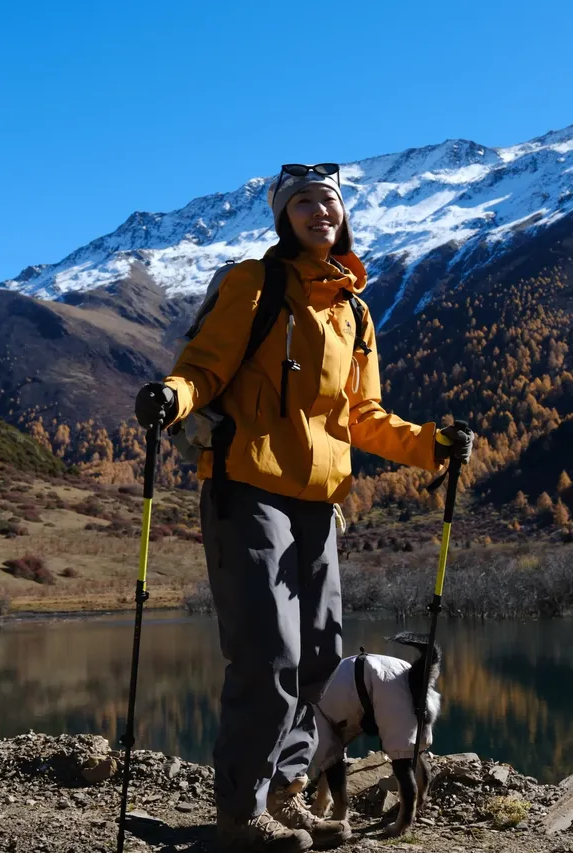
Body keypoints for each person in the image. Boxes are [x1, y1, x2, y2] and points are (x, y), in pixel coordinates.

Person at [134, 163, 474, 852]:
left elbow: (365, 415)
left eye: (329, 201)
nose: (320, 212)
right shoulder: (253, 285)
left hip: (320, 501)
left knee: (318, 658)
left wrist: (432, 444)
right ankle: (241, 812)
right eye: (304, 203)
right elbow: (205, 367)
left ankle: (288, 795)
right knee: (267, 651)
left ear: (343, 215)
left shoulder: (354, 308)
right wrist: (172, 396)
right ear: (284, 216)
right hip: (248, 486)